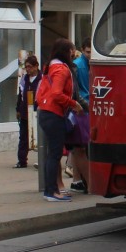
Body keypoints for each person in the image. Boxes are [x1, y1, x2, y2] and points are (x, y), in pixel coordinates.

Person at [35, 38, 82, 202]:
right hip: (53, 114)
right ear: (66, 52)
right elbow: (56, 93)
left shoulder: (51, 67)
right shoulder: (61, 70)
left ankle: (51, 190)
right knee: (54, 155)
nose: (74, 54)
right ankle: (52, 192)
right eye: (72, 51)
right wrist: (73, 103)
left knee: (52, 154)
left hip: (46, 112)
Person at [65, 41, 90, 192]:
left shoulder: (80, 64)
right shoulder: (79, 66)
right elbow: (79, 91)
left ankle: (77, 180)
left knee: (76, 147)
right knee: (79, 147)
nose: (90, 55)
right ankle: (83, 180)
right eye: (87, 52)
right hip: (81, 109)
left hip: (81, 107)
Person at [15, 54, 41, 169]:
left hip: (38, 113)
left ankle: (41, 160)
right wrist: (18, 109)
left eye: (30, 67)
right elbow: (20, 95)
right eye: (26, 67)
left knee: (39, 137)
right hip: (25, 112)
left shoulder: (42, 79)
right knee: (23, 137)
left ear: (36, 66)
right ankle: (22, 161)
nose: (28, 69)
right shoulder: (24, 79)